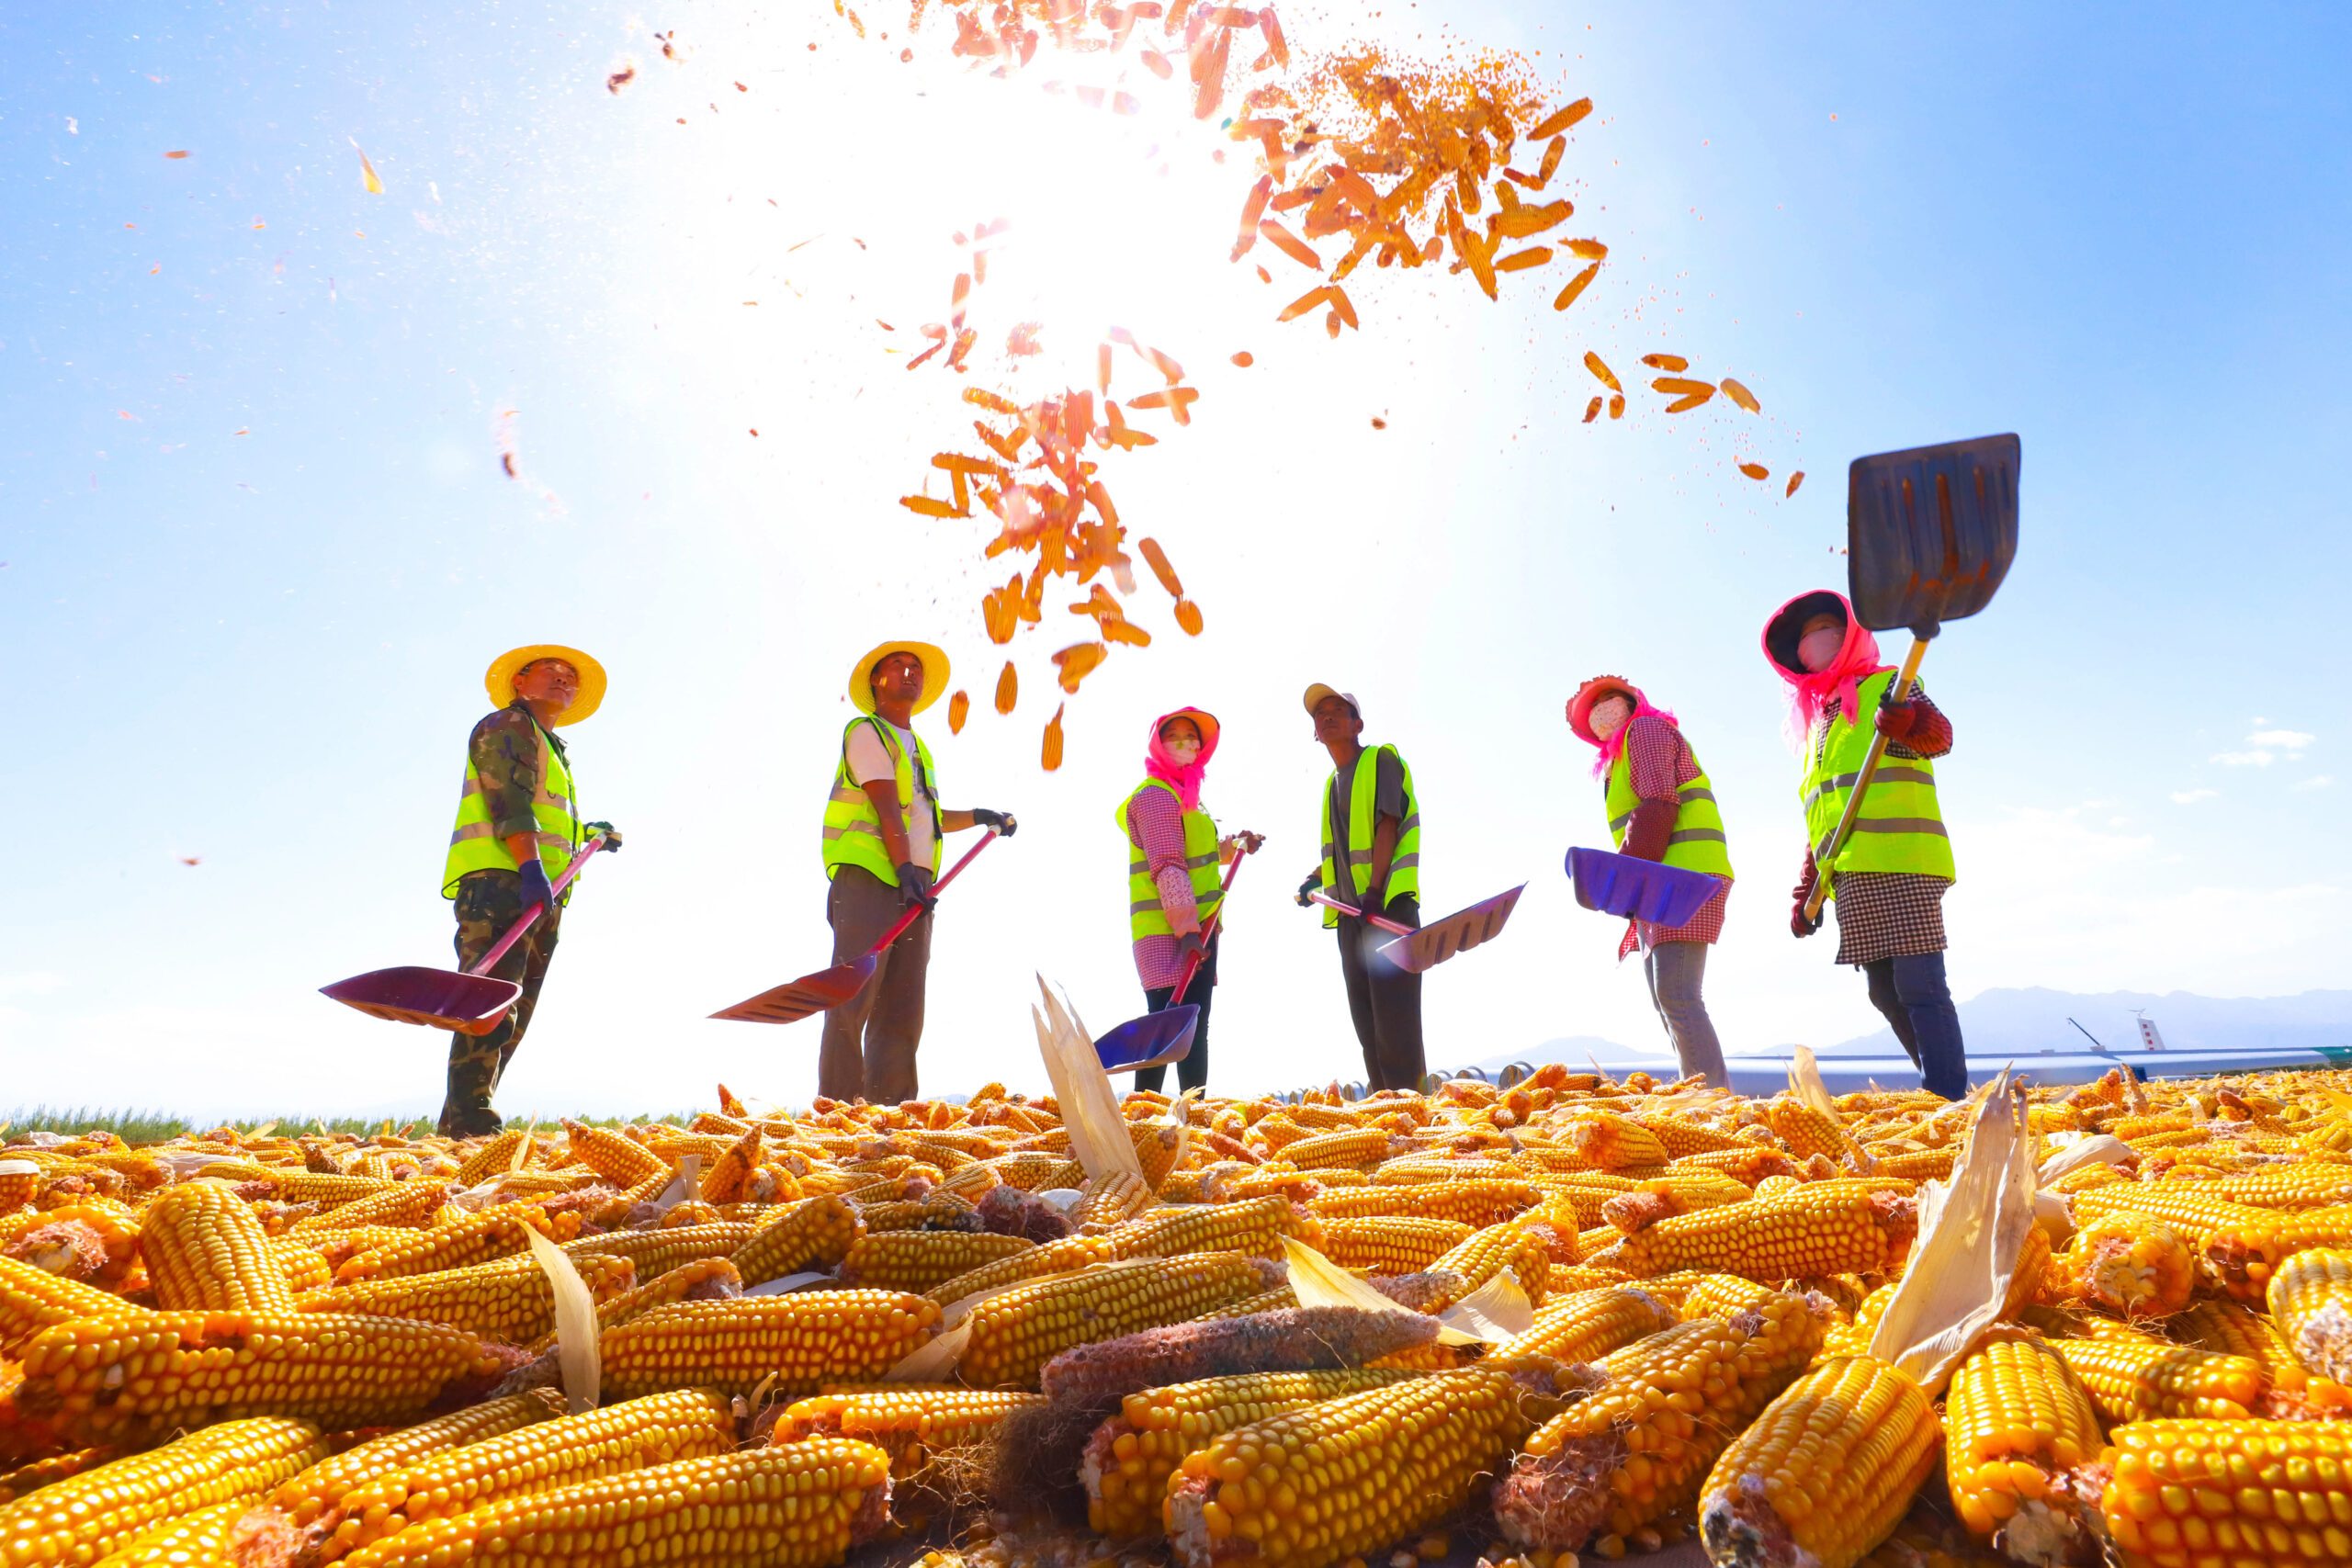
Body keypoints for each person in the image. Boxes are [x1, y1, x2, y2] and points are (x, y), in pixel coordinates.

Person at [1763, 590, 1967, 1099]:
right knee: (1884, 991)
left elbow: (1939, 737)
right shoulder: (1817, 725)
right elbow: (1823, 814)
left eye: (1826, 629)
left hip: (1902, 859)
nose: (1815, 642)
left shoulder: (1888, 685)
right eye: (1806, 638)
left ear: (1851, 634)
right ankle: (1939, 1084)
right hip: (1853, 874)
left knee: (1920, 986)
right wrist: (1807, 891)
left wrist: (1909, 722)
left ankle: (1950, 1097)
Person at [819, 639, 1017, 1103]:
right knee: (852, 999)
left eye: (915, 668)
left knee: (903, 1008)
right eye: (897, 666)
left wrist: (978, 817)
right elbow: (887, 808)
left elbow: (924, 816)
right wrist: (904, 868)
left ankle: (891, 1113)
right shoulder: (867, 732)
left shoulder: (919, 748)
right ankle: (838, 1112)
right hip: (872, 878)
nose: (909, 673)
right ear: (876, 680)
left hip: (915, 883)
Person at [438, 645, 622, 1137]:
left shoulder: (551, 747)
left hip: (539, 888)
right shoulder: (507, 725)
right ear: (520, 682)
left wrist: (588, 838)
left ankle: (456, 1128)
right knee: (489, 1007)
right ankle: (474, 1126)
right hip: (502, 882)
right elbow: (509, 803)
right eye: (550, 673)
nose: (564, 681)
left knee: (512, 1016)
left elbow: (544, 817)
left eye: (570, 678)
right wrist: (530, 870)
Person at [1565, 675, 1734, 1089]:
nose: (1603, 708)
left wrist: (1624, 877)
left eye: (1611, 699)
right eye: (1595, 706)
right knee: (1668, 1000)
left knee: (1678, 995)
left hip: (1685, 878)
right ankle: (1696, 1090)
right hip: (1663, 880)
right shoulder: (1618, 761)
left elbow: (1659, 801)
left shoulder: (1646, 730)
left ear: (1631, 703)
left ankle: (1711, 1098)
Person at [1117, 707, 1264, 1095]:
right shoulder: (1156, 797)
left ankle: (1190, 1118)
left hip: (1197, 928)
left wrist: (1233, 845)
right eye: (1174, 736)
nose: (1184, 743)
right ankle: (1145, 1115)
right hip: (1170, 932)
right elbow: (1168, 866)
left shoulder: (1189, 799)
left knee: (1191, 1029)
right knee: (1168, 1027)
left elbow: (1199, 855)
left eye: (1191, 736)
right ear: (1158, 745)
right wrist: (1186, 931)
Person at [1295, 684, 1425, 1091]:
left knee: (1395, 1023)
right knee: (1367, 1023)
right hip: (1353, 918)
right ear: (1315, 732)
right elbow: (1346, 850)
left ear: (1358, 724)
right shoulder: (1332, 785)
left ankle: (1413, 1110)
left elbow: (1388, 822)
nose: (1328, 716)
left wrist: (1374, 892)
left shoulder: (1380, 758)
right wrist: (1316, 880)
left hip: (1386, 909)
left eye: (1338, 709)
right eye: (1320, 713)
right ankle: (1387, 1108)